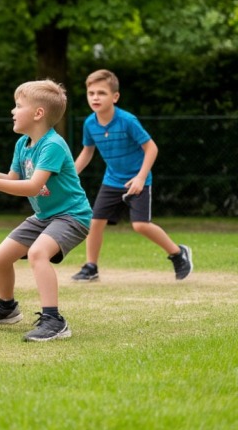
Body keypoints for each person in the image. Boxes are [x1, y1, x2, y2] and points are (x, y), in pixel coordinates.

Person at [0, 80, 92, 342]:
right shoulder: (23, 144)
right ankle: (7, 307)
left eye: (18, 106)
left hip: (72, 216)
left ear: (38, 114)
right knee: (0, 257)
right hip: (45, 217)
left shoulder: (53, 145)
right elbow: (14, 178)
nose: (13, 111)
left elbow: (34, 186)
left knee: (37, 253)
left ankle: (54, 320)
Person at [71, 69, 192, 282]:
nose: (95, 97)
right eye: (91, 93)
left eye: (102, 93)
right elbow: (87, 152)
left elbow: (151, 148)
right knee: (95, 222)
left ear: (115, 97)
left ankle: (177, 253)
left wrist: (140, 178)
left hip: (138, 179)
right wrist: (70, 175)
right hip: (112, 180)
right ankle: (91, 267)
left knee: (140, 225)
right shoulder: (89, 123)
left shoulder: (127, 120)